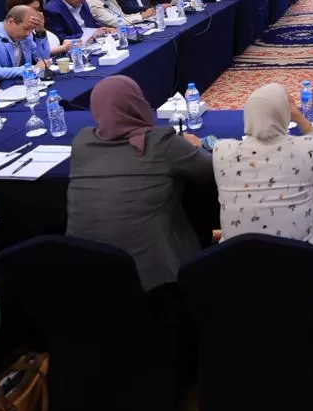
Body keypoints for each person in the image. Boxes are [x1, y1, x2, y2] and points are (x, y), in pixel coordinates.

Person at [68, 76, 213, 291]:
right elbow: (210, 171)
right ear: (137, 102)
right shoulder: (161, 143)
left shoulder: (81, 142)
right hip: (154, 283)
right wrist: (197, 146)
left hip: (84, 279)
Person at [212, 83, 313, 290]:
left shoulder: (221, 151)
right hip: (303, 275)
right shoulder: (307, 147)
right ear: (285, 114)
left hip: (237, 274)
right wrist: (302, 120)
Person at [0, 5, 52, 80]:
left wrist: (40, 32)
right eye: (26, 28)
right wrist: (31, 69)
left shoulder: (25, 35)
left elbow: (43, 60)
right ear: (10, 21)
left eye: (32, 29)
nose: (28, 33)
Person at [5, 0, 71, 57]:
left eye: (38, 9)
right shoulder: (2, 37)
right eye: (33, 9)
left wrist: (40, 32)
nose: (38, 14)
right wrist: (62, 48)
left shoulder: (30, 33)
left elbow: (42, 57)